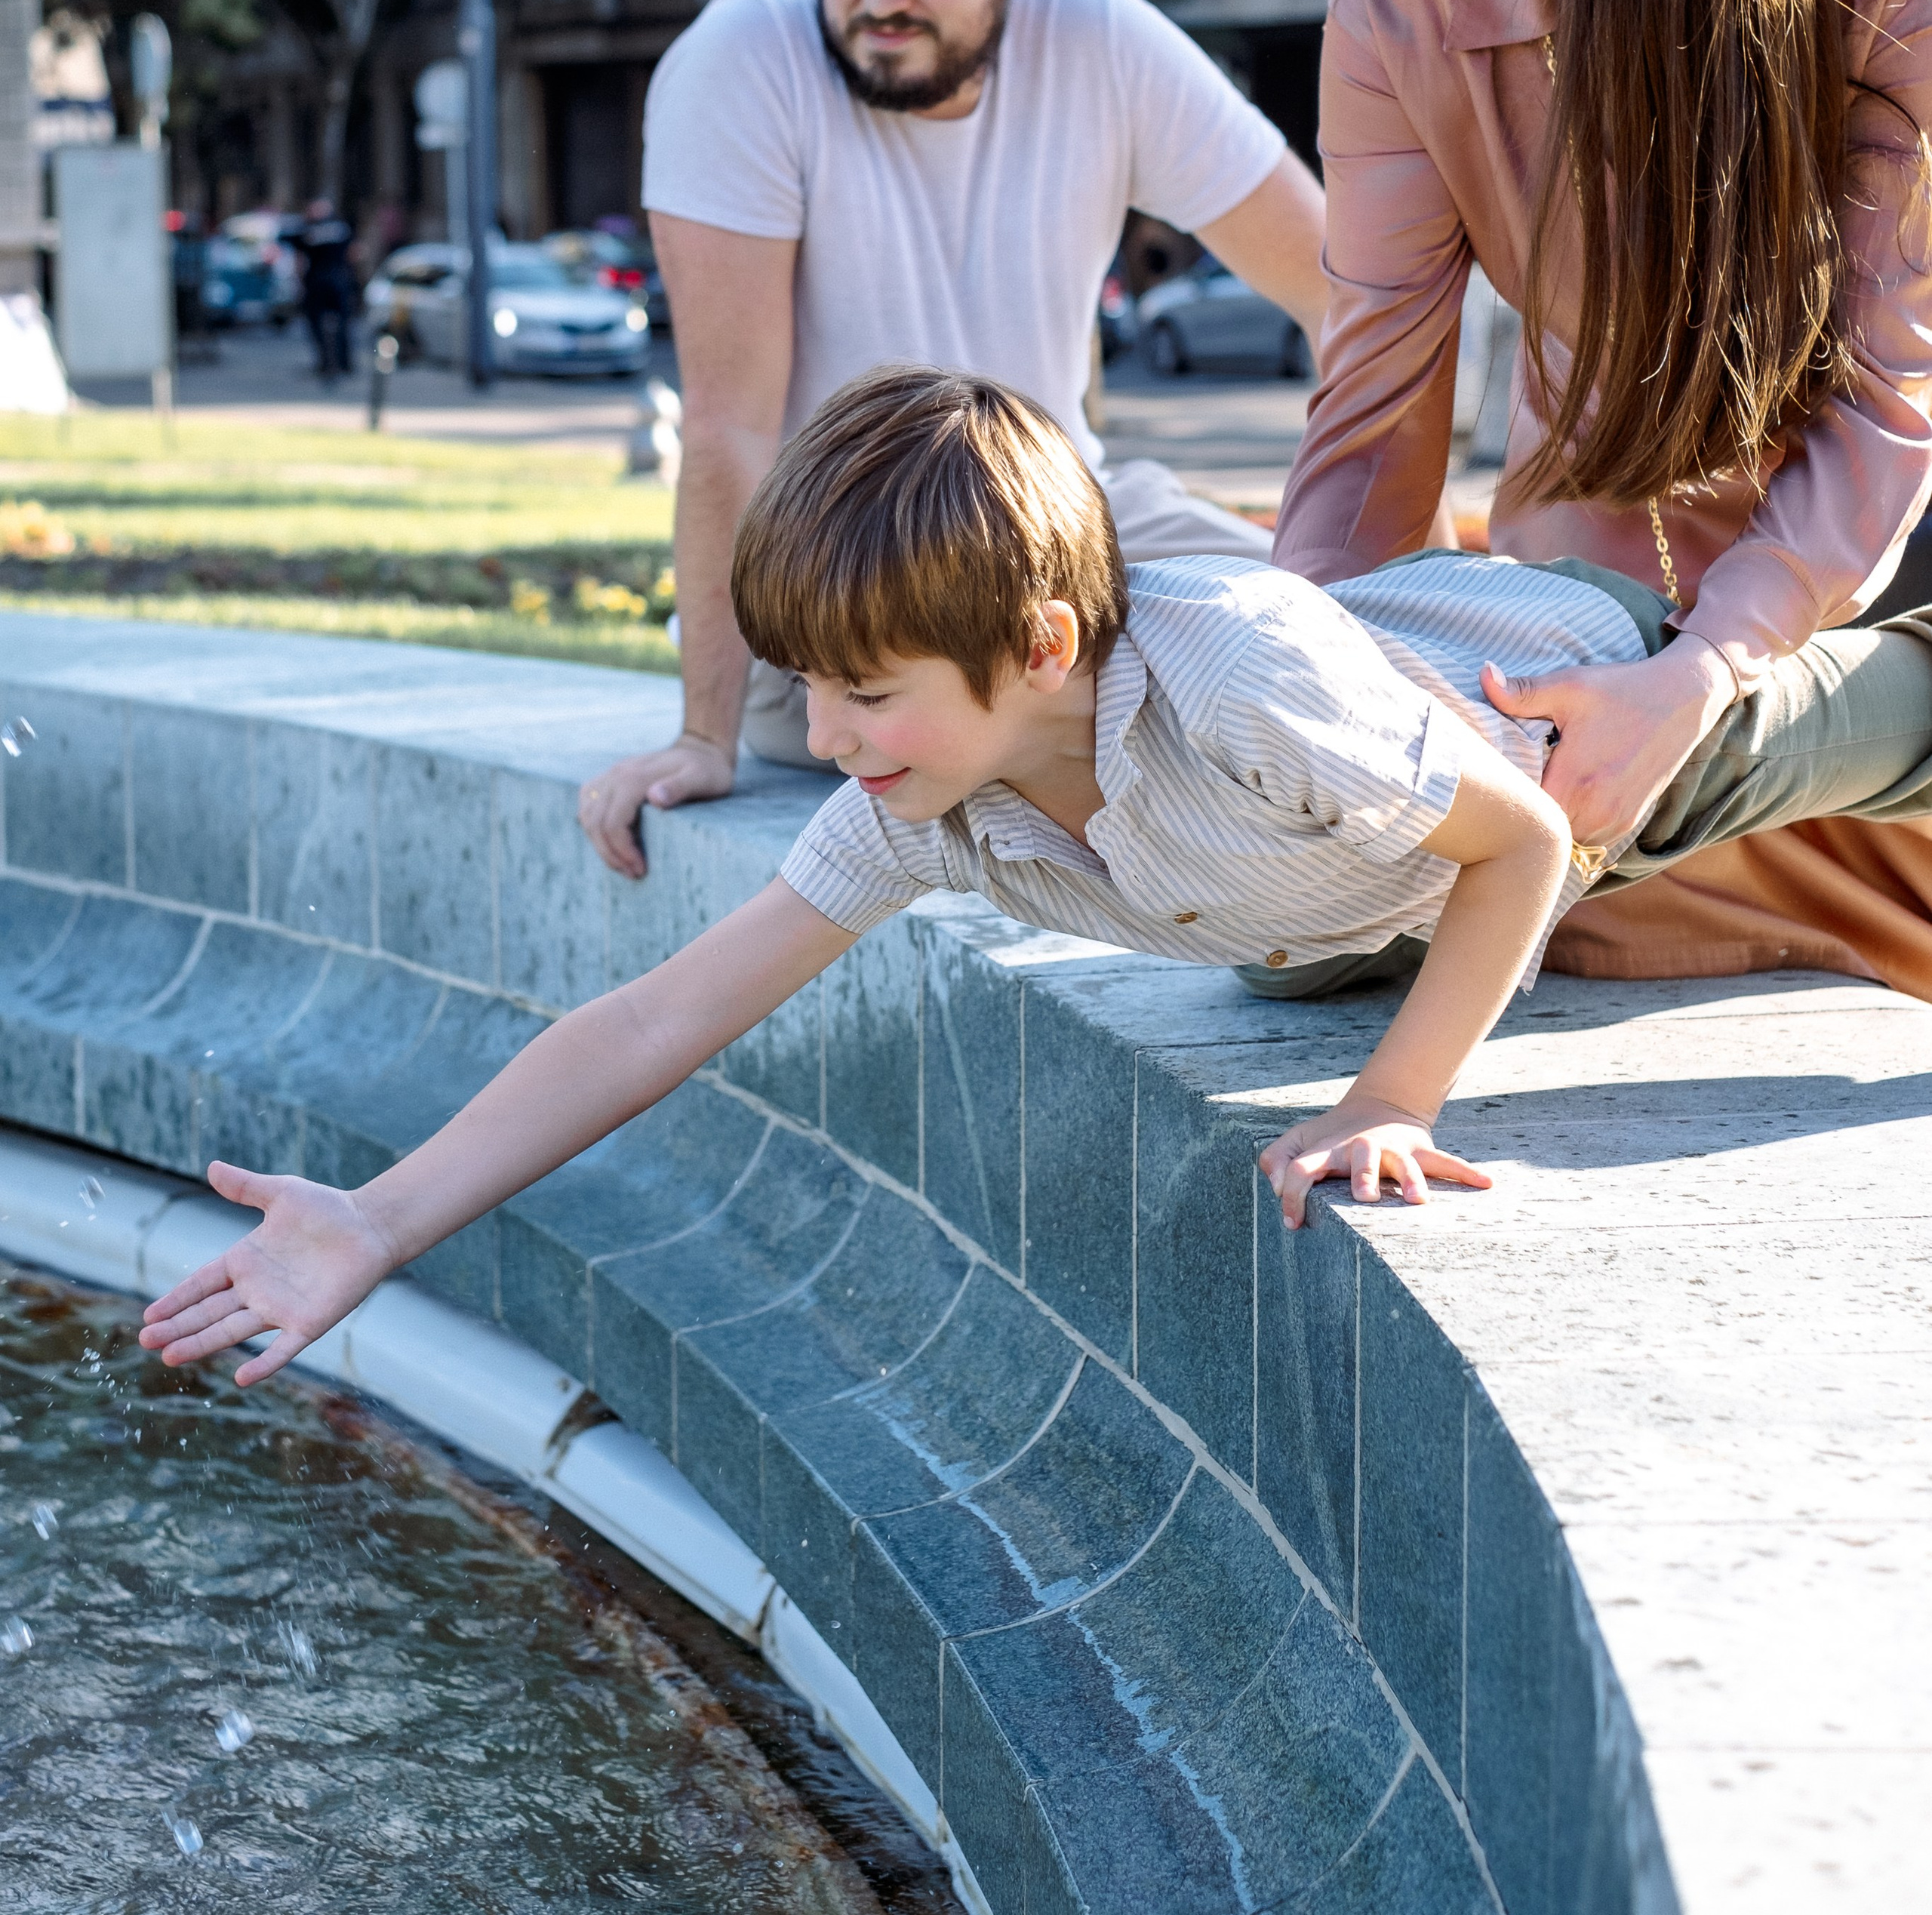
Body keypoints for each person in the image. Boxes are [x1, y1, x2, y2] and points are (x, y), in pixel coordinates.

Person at [141, 365, 1932, 1388]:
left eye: (865, 691)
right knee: (1284, 956)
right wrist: (377, 1217)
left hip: (1559, 704)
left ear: (1043, 639)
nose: (824, 736)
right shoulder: (940, 784)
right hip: (1317, 871)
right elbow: (661, 1013)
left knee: (1820, 727)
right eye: (811, 687)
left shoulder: (1226, 679)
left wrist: (1391, 1098)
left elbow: (1525, 839)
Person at [1274, 0, 1932, 996]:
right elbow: (1368, 407)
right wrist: (1280, 704)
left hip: (1881, 569)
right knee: (1297, 936)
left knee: (1648, 779)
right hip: (1609, 555)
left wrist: (1702, 675)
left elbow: (1890, 408)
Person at [577, 0, 1328, 871]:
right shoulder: (742, 61)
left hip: (1073, 542)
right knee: (1142, 721)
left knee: (1334, 647)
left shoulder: (1102, 38)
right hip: (840, 593)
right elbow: (729, 427)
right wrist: (705, 734)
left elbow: (1351, 297)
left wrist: (1356, 541)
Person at [291, 196, 358, 381]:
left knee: (317, 323)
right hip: (339, 278)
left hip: (317, 280)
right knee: (343, 322)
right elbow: (354, 253)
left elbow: (299, 260)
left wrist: (300, 283)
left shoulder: (307, 230)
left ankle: (326, 362)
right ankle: (344, 362)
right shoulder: (341, 228)